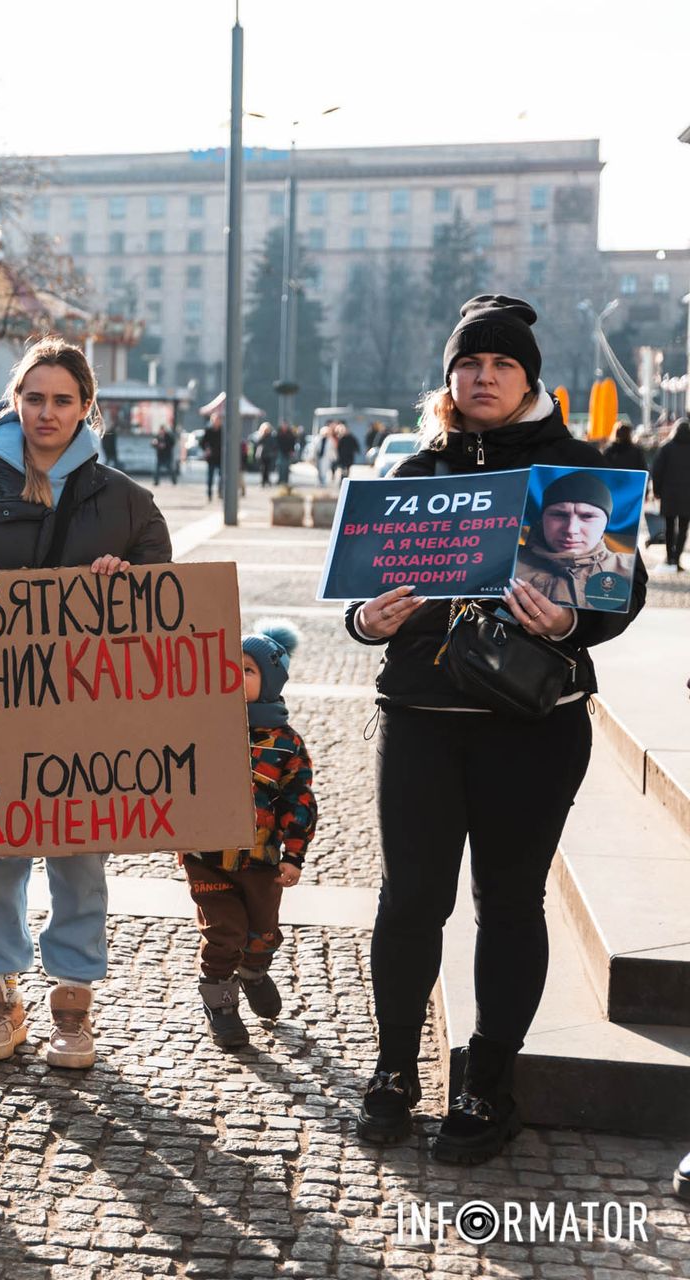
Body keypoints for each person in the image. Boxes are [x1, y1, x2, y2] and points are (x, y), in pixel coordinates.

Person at [348, 295, 647, 1164]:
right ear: (448, 380)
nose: (483, 377)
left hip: (532, 725)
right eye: (468, 365)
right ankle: (395, 1071)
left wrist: (566, 626)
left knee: (509, 904)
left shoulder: (575, 471)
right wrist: (370, 620)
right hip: (421, 721)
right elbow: (359, 607)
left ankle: (489, 1084)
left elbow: (616, 598)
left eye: (500, 365)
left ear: (528, 379)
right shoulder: (416, 473)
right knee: (409, 901)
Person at [0, 336, 171, 1066]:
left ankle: (72, 1004)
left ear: (86, 407)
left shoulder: (127, 501)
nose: (46, 413)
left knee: (79, 858)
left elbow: (167, 603)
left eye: (62, 400)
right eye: (33, 399)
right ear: (14, 403)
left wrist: (132, 581)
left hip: (88, 714)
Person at [181, 623, 316, 1049]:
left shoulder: (286, 745)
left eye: (248, 670)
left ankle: (255, 970)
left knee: (261, 932)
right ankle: (220, 1004)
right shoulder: (200, 727)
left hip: (261, 862)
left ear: (271, 681)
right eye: (227, 669)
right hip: (208, 856)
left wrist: (293, 856)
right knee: (224, 933)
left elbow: (299, 801)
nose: (235, 677)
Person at [513, 470, 638, 612]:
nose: (571, 529)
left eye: (587, 516)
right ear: (542, 519)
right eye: (559, 515)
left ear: (605, 523)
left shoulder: (627, 569)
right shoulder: (506, 565)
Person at [652, 418, 690, 571]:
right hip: (688, 495)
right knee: (683, 528)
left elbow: (657, 471)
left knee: (669, 526)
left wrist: (656, 490)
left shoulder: (666, 448)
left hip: (669, 494)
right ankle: (677, 557)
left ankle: (669, 557)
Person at [200, 418, 224, 500]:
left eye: (218, 420)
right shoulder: (209, 431)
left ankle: (220, 492)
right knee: (210, 477)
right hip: (211, 458)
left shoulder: (223, 431)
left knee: (222, 477)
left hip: (221, 458)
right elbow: (202, 442)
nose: (217, 422)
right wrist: (206, 449)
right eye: (215, 420)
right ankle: (209, 493)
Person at [332, 421, 361, 486]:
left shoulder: (351, 438)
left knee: (347, 469)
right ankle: (342, 481)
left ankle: (345, 480)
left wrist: (357, 450)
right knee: (342, 469)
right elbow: (338, 448)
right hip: (342, 457)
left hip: (349, 457)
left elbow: (356, 445)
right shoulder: (341, 438)